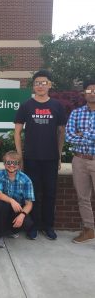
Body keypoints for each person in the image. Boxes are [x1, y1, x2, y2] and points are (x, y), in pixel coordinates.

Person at [14, 69, 66, 240]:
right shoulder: (26, 105)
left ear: (50, 85)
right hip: (32, 158)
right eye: (37, 83)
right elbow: (17, 132)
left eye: (44, 83)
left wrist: (59, 156)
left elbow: (61, 132)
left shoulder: (57, 106)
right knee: (33, 194)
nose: (40, 86)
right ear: (33, 86)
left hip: (51, 158)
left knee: (50, 193)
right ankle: (33, 226)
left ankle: (48, 226)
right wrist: (20, 156)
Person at [66, 79, 95, 244]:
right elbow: (69, 136)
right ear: (84, 93)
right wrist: (90, 136)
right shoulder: (76, 113)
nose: (92, 93)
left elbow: (76, 136)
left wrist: (82, 134)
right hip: (79, 160)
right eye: (89, 90)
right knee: (83, 197)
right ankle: (89, 229)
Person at [0, 151, 34, 248]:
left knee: (27, 223)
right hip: (1, 209)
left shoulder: (26, 179)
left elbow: (29, 203)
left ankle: (11, 231)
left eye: (15, 163)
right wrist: (11, 201)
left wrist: (22, 215)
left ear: (19, 165)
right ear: (4, 164)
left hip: (17, 209)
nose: (11, 165)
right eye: (8, 162)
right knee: (1, 204)